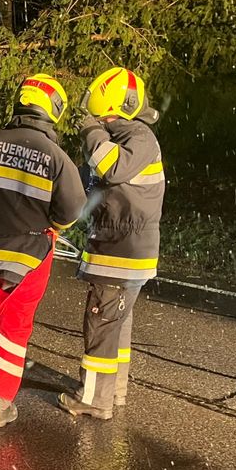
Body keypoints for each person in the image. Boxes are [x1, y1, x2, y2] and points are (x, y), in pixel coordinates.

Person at [0, 74, 87, 428]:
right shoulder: (57, 157)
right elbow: (71, 211)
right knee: (12, 327)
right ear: (53, 110)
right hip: (30, 253)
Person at [58, 67, 165, 420]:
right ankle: (113, 391)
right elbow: (93, 188)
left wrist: (90, 132)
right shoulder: (126, 137)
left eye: (98, 114)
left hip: (121, 252)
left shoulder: (138, 139)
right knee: (116, 324)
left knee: (101, 323)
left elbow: (113, 168)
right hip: (124, 249)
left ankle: (94, 399)